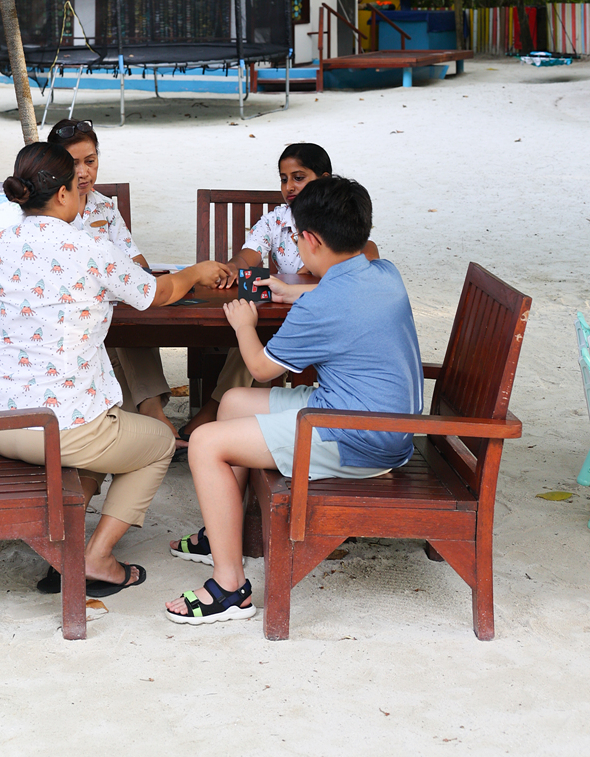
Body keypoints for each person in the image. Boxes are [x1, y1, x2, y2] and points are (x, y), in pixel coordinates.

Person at [166, 175, 423, 624]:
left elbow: (265, 368)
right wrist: (291, 291)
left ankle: (229, 589)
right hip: (385, 424)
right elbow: (334, 293)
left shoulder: (320, 306)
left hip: (358, 438)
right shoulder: (384, 272)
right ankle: (223, 534)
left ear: (310, 239)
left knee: (206, 442)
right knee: (232, 403)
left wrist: (244, 325)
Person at [0, 141, 228, 598]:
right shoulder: (87, 245)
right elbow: (157, 292)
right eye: (76, 186)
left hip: (2, 420)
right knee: (156, 444)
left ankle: (67, 549)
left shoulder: (1, 243)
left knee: (104, 436)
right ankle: (97, 558)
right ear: (61, 196)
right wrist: (196, 273)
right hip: (64, 428)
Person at [180, 143, 379, 439]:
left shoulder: (337, 223)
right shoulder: (276, 219)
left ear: (324, 178)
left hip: (319, 321)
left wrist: (305, 276)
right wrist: (235, 267)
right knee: (255, 325)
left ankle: (216, 407)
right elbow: (248, 255)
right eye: (284, 179)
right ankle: (236, 422)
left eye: (299, 177)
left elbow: (367, 262)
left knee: (253, 330)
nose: (289, 186)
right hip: (286, 314)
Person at [47, 118, 179, 442]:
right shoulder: (46, 210)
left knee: (133, 310)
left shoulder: (104, 207)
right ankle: (150, 414)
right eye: (73, 163)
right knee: (117, 315)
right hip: (68, 320)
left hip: (110, 311)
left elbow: (138, 265)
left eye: (90, 162)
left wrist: (120, 278)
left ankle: (147, 413)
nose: (84, 172)